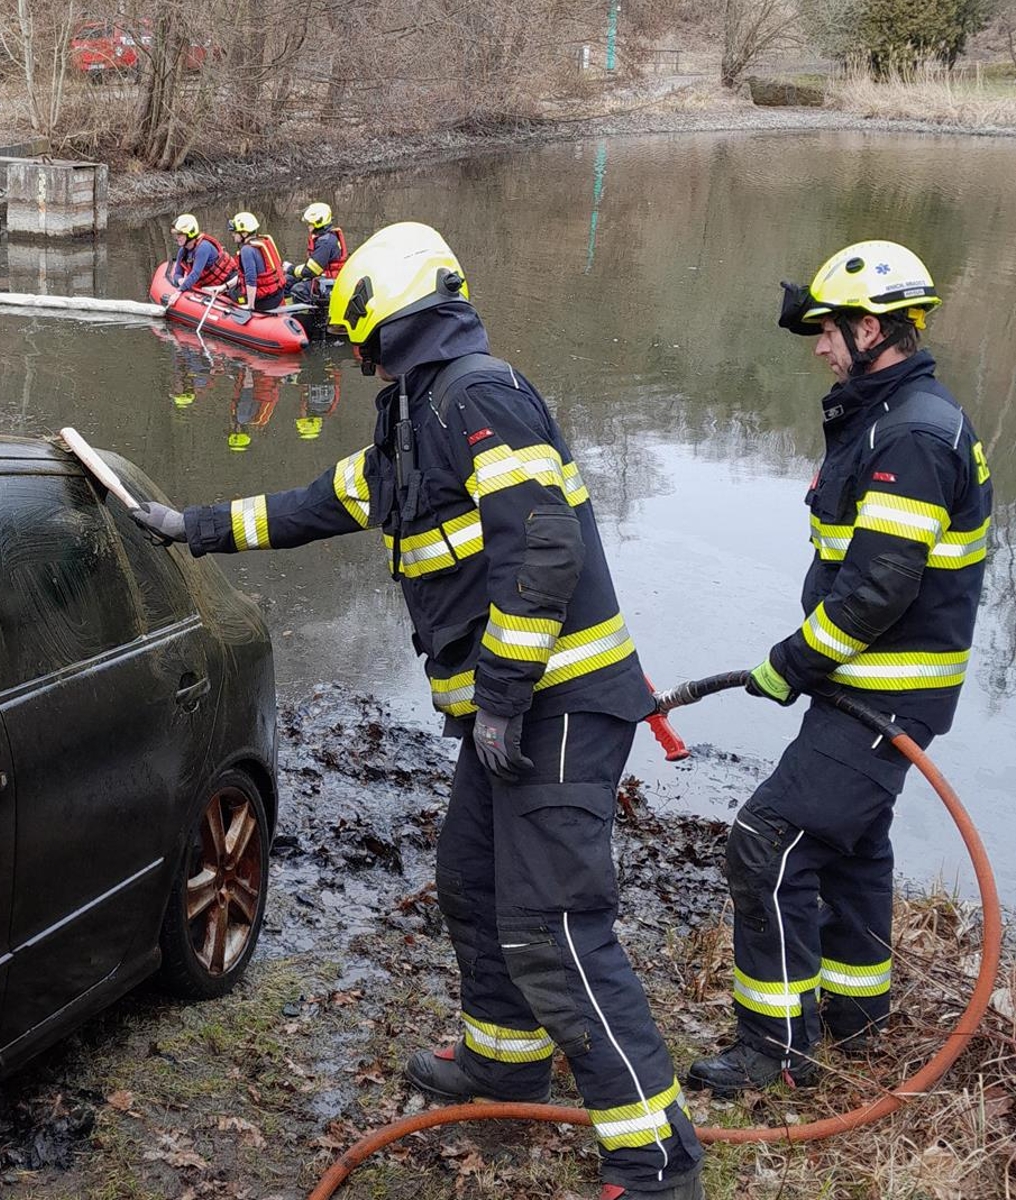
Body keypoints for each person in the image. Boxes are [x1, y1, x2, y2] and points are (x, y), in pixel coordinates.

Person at [131, 222, 704, 1200]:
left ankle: (658, 1164)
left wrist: (500, 697)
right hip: (513, 717)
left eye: (354, 331)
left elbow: (544, 551)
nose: (346, 353)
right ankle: (503, 1061)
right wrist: (194, 529)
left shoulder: (478, 396)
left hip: (555, 707)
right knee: (472, 886)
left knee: (555, 928)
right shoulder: (417, 416)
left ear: (387, 315)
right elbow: (321, 502)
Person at [688, 241, 992, 1095]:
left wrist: (789, 663)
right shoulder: (887, 416)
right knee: (852, 845)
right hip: (871, 688)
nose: (819, 348)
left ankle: (776, 1047)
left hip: (886, 691)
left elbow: (877, 591)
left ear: (871, 329)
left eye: (829, 332)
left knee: (767, 840)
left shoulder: (916, 434)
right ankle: (858, 1017)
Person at [285, 201, 348, 304]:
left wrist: (290, 269)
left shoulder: (325, 242)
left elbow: (311, 271)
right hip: (322, 277)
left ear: (318, 223)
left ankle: (309, 317)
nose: (308, 226)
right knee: (287, 280)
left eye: (310, 223)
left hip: (328, 283)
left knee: (299, 290)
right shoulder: (324, 238)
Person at [224, 211, 286, 313]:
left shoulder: (247, 250)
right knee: (231, 288)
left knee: (233, 293)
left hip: (265, 302)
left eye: (235, 232)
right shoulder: (262, 242)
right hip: (276, 295)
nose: (232, 235)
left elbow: (250, 279)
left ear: (244, 233)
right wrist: (224, 286)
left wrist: (250, 306)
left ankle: (249, 307)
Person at [168, 213, 237, 293]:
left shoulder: (203, 247)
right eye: (175, 235)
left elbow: (195, 274)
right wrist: (180, 280)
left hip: (229, 281)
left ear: (190, 233)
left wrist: (179, 291)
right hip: (212, 286)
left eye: (179, 235)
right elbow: (177, 274)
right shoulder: (182, 252)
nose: (177, 238)